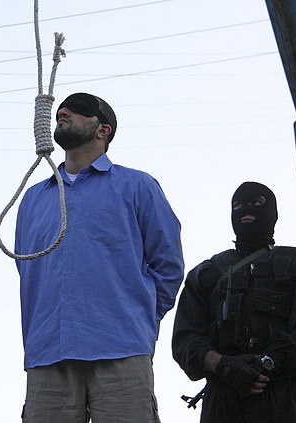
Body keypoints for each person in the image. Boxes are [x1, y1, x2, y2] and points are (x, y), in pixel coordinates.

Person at [15, 92, 185, 423]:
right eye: (62, 109)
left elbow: (169, 265)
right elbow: (27, 267)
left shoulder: (138, 186)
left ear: (102, 129)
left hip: (120, 350)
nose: (63, 111)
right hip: (48, 354)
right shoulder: (33, 199)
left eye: (78, 110)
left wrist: (138, 315)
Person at [172, 181, 296, 423]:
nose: (245, 210)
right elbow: (185, 340)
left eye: (256, 203)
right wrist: (224, 366)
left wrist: (268, 363)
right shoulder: (206, 273)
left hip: (285, 397)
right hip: (223, 400)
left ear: (272, 211)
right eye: (238, 205)